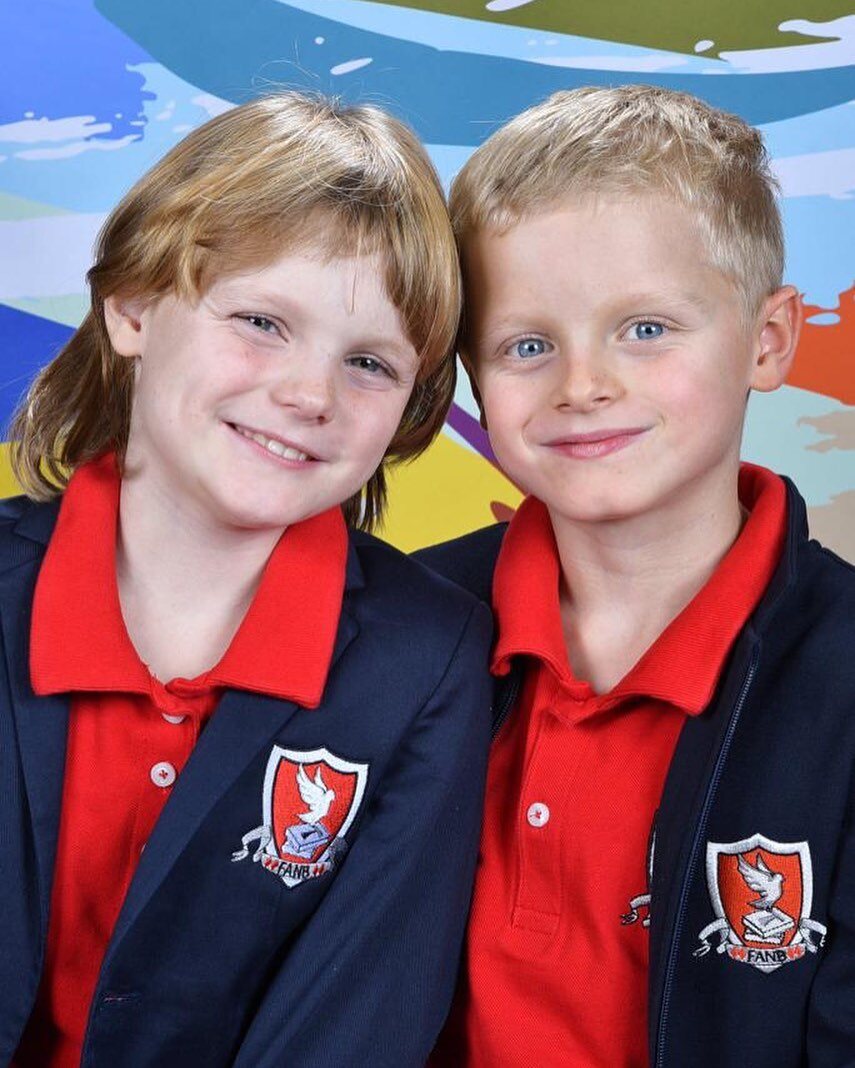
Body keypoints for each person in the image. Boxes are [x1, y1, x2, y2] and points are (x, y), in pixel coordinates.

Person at [0, 92, 492, 1068]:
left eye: (368, 362)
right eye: (263, 320)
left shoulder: (429, 662)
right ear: (133, 308)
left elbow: (357, 1018)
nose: (310, 395)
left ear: (408, 410)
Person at [420, 85, 855, 1067]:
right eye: (528, 345)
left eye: (646, 329)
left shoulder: (842, 682)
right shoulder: (392, 633)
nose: (583, 384)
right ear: (471, 380)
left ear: (769, 340)